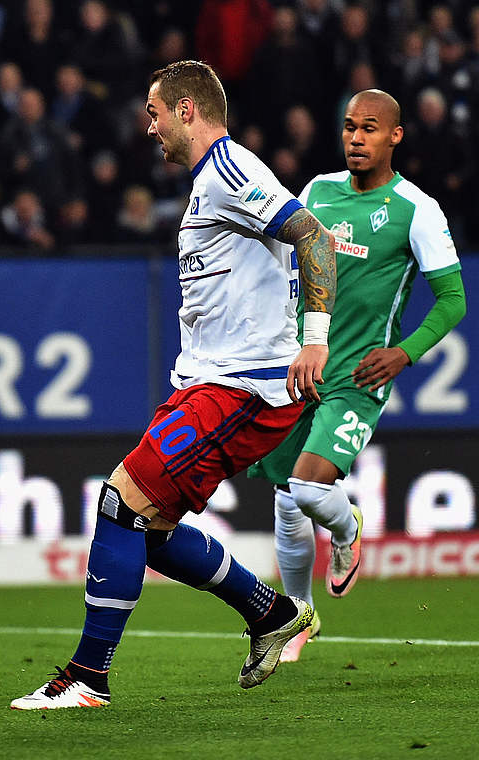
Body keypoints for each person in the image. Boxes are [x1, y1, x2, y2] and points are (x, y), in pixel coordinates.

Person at [10, 60, 338, 710]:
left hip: (241, 390)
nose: (150, 127)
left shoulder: (230, 170)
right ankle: (270, 614)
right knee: (147, 528)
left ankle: (87, 677)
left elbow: (316, 240)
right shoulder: (211, 183)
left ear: (188, 110)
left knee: (119, 503)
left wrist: (316, 338)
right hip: (216, 386)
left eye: (156, 113)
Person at [248, 89, 466, 663]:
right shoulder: (316, 192)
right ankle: (296, 618)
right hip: (303, 364)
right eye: (349, 127)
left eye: (370, 128)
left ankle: (348, 533)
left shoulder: (416, 209)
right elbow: (278, 260)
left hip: (360, 373)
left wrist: (404, 353)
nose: (356, 138)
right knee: (286, 501)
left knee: (310, 485)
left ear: (395, 135)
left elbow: (452, 300)